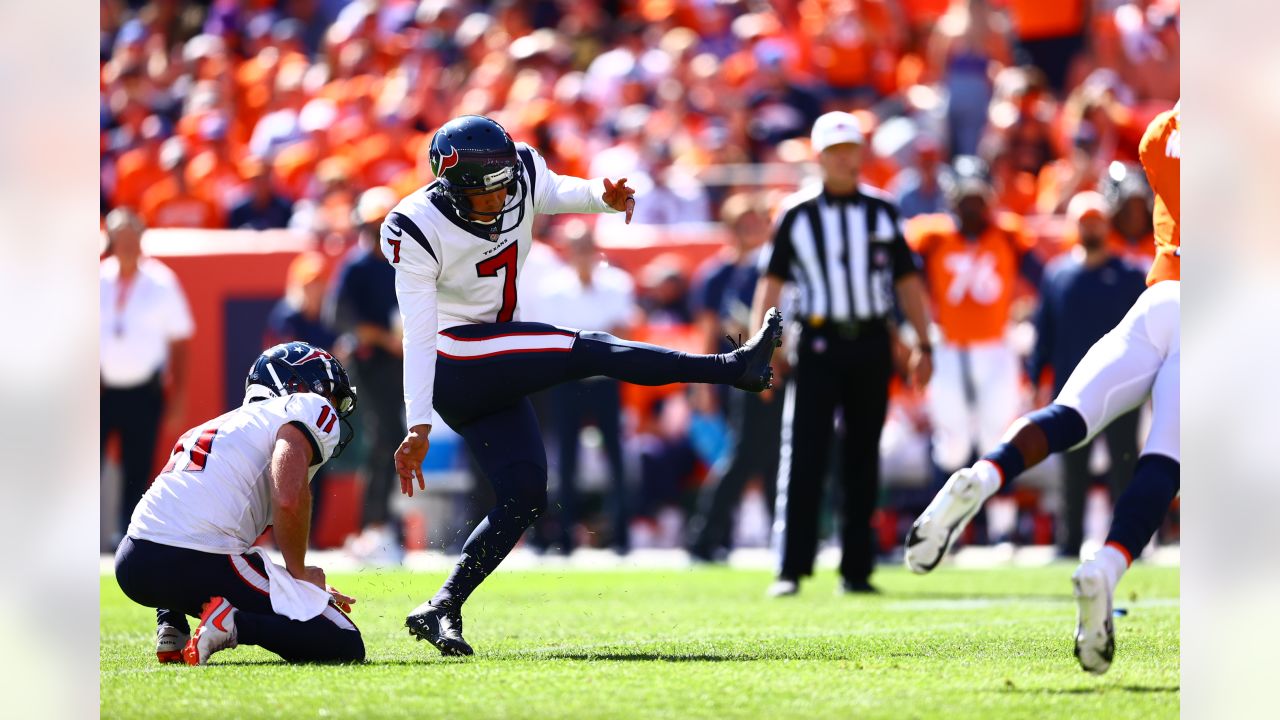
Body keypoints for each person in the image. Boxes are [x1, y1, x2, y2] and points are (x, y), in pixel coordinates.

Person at [383, 115, 782, 656]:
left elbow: (553, 190)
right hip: (455, 355)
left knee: (525, 494)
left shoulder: (517, 171)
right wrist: (419, 423)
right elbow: (420, 332)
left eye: (504, 189)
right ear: (451, 189)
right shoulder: (416, 226)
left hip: (492, 356)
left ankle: (443, 605)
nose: (498, 202)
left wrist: (601, 196)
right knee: (587, 347)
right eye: (484, 196)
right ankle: (735, 368)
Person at [905, 103, 1180, 676]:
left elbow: (1155, 154)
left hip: (1158, 300)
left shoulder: (1165, 132)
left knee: (1069, 415)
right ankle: (1104, 567)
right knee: (1166, 455)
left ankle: (982, 475)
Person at [752, 112, 933, 597]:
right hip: (815, 343)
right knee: (804, 455)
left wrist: (923, 340)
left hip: (871, 342)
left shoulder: (882, 210)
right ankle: (790, 567)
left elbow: (907, 282)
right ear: (819, 157)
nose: (844, 159)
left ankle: (857, 569)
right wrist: (760, 351)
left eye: (851, 148)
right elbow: (770, 285)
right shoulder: (796, 213)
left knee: (862, 457)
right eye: (834, 151)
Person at [113, 342, 364, 665]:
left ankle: (171, 625)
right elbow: (287, 497)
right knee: (344, 641)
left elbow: (168, 509)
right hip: (198, 557)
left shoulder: (210, 428)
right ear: (301, 386)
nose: (333, 407)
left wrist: (294, 592)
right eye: (332, 395)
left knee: (187, 525)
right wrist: (299, 578)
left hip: (134, 562)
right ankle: (232, 624)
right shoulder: (309, 407)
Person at [906, 156, 1043, 544]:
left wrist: (1027, 319)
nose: (971, 207)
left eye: (977, 199)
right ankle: (940, 530)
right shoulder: (931, 237)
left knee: (999, 439)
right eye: (965, 199)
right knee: (951, 445)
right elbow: (904, 282)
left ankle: (1003, 530)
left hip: (996, 347)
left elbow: (1044, 282)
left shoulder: (1008, 235)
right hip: (947, 347)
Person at [1029, 191, 1147, 558]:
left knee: (1124, 466)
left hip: (1122, 386)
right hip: (1072, 387)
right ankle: (1069, 543)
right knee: (1072, 471)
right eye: (1084, 220)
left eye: (1096, 219)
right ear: (1073, 226)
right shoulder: (1057, 275)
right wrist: (1036, 379)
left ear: (1107, 222)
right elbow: (1043, 332)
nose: (1091, 226)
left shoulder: (1129, 276)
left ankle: (1128, 543)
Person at [528, 219, 638, 554]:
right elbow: (557, 339)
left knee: (617, 457)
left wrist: (586, 343)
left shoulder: (617, 283)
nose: (582, 254)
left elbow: (624, 332)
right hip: (569, 382)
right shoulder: (552, 288)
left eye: (586, 246)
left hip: (605, 381)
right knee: (565, 458)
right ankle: (562, 536)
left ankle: (620, 535)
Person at [686, 193, 783, 562]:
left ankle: (776, 533)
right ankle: (708, 534)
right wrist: (702, 384)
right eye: (743, 223)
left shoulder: (771, 267)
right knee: (741, 456)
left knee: (772, 455)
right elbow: (709, 332)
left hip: (775, 372)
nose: (752, 229)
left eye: (756, 220)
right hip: (737, 374)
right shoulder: (720, 274)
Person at [100, 208, 194, 546]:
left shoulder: (161, 281)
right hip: (100, 390)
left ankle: (129, 536)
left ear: (141, 238)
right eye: (119, 237)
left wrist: (178, 396)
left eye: (131, 236)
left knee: (137, 468)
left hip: (144, 390)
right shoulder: (98, 277)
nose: (125, 244)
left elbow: (180, 339)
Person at [329, 186, 405, 565]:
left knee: (396, 440)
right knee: (382, 441)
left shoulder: (404, 263)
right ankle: (371, 526)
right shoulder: (357, 267)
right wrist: (385, 339)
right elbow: (342, 319)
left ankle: (382, 525)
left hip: (400, 363)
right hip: (371, 364)